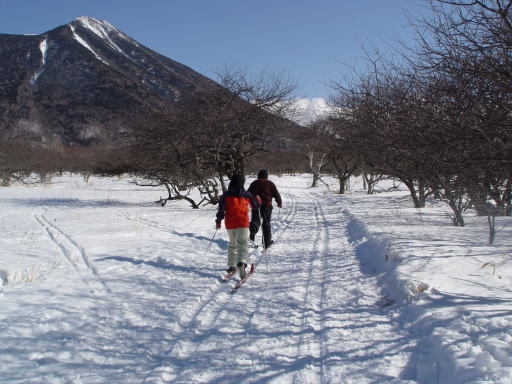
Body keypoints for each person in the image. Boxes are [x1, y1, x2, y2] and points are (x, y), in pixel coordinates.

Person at [215, 174, 260, 279]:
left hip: (230, 224)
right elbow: (256, 206)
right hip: (242, 223)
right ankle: (242, 264)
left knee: (232, 245)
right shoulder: (246, 194)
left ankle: (232, 266)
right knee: (243, 245)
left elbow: (221, 210)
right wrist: (258, 200)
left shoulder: (225, 195)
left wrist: (218, 221)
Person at [248, 169, 282, 249]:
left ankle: (252, 236)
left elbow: (248, 193)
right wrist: (279, 202)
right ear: (266, 176)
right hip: (267, 206)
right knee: (266, 223)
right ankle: (267, 242)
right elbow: (276, 194)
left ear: (258, 176)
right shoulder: (270, 183)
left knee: (255, 221)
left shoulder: (254, 183)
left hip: (256, 206)